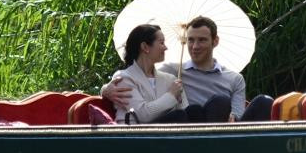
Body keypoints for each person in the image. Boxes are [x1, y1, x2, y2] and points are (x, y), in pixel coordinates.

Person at [103, 15, 273, 123]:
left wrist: (233, 118)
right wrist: (105, 90)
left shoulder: (234, 79)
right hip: (183, 128)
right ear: (145, 47)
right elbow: (135, 82)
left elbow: (237, 114)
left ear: (215, 42)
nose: (194, 46)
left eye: (202, 40)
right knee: (196, 110)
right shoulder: (174, 72)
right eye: (190, 40)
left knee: (261, 101)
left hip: (225, 126)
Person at [110, 24, 190, 123]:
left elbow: (186, 113)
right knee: (179, 115)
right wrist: (171, 95)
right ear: (145, 47)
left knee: (194, 110)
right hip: (138, 134)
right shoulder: (124, 78)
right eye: (161, 43)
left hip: (167, 132)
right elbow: (143, 115)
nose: (165, 48)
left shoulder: (170, 79)